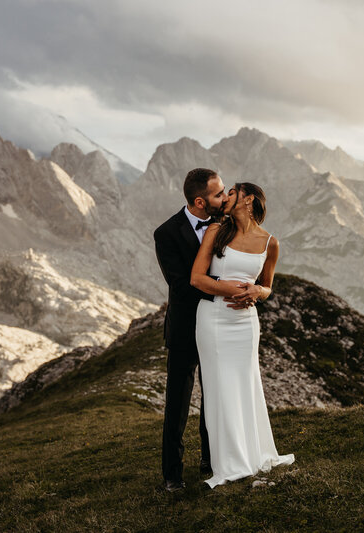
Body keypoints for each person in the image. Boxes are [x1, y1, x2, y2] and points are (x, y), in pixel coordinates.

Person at [191, 182, 295, 488]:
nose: (225, 198)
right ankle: (230, 462)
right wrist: (234, 288)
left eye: (231, 192)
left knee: (247, 384)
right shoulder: (215, 232)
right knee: (219, 388)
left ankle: (255, 453)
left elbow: (267, 286)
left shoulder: (270, 243)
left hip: (246, 323)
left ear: (248, 199)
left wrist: (256, 291)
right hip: (213, 318)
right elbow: (197, 278)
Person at [153, 167, 232, 492]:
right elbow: (180, 285)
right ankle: (172, 474)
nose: (225, 197)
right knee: (178, 403)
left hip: (218, 325)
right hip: (186, 329)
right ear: (200, 202)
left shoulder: (227, 225)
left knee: (214, 396)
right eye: (218, 194)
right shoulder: (166, 233)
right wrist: (226, 288)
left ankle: (210, 459)